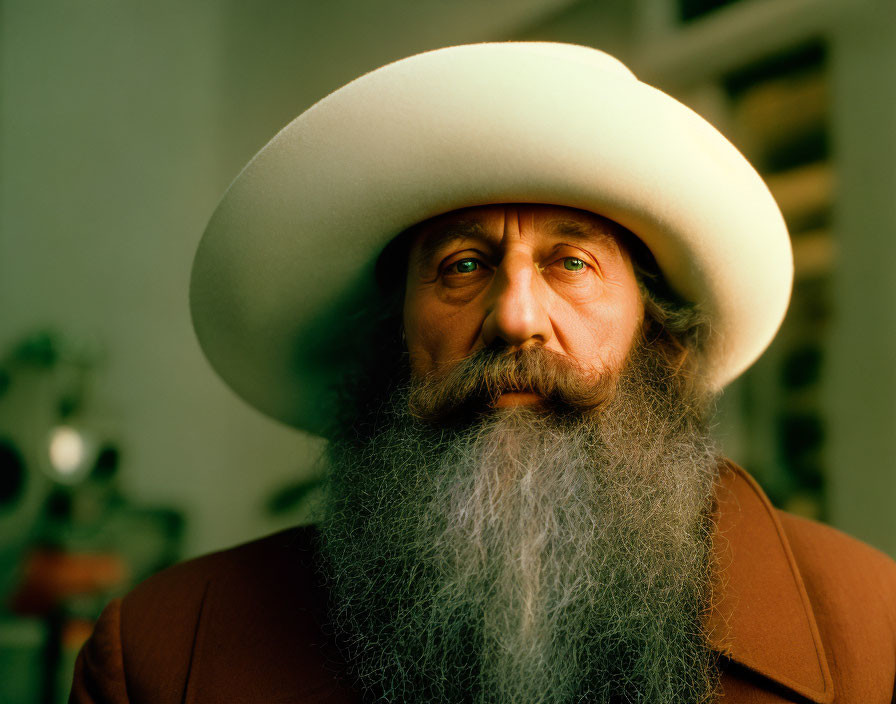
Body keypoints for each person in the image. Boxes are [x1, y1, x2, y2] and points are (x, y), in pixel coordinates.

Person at [70, 42, 896, 704]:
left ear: (662, 342)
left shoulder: (875, 633)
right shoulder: (162, 656)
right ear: (395, 341)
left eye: (570, 262)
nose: (515, 316)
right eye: (463, 266)